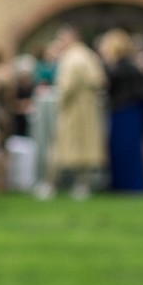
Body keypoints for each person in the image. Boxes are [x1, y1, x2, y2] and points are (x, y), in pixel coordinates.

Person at [47, 25, 107, 198]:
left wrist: (60, 98)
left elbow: (68, 84)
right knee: (84, 145)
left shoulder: (72, 56)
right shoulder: (88, 54)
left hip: (74, 107)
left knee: (63, 145)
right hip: (87, 106)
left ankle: (53, 184)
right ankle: (83, 184)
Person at [101, 29, 143, 192]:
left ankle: (128, 184)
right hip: (130, 112)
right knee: (126, 150)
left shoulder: (120, 69)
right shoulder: (133, 67)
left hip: (124, 112)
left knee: (125, 150)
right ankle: (127, 184)